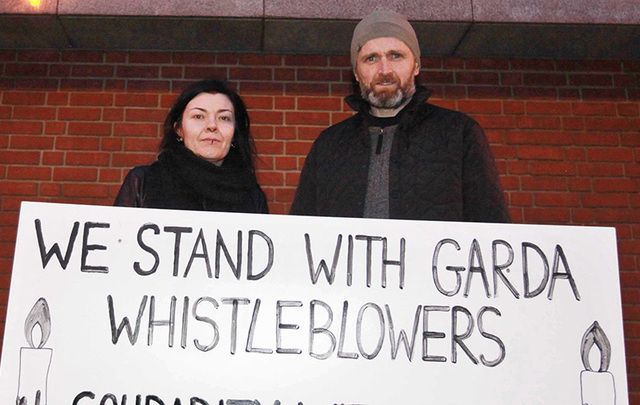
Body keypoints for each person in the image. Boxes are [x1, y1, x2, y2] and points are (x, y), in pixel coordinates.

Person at [290, 10, 510, 222]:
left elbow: (492, 228)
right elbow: (301, 233)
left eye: (396, 56)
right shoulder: (328, 145)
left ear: (416, 65)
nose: (384, 70)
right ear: (356, 73)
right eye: (371, 58)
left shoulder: (459, 134)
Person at [114, 79, 268, 213]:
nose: (212, 126)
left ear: (235, 133)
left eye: (224, 118)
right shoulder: (143, 182)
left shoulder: (252, 196)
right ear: (179, 129)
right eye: (198, 116)